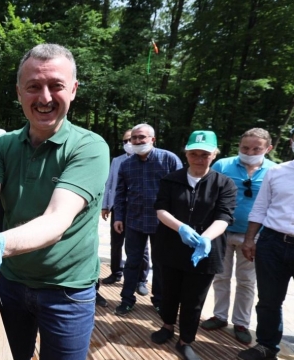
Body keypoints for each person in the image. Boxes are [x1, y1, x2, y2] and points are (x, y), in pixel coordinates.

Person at [0, 43, 109, 360]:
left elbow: (56, 220)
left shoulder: (90, 147)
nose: (44, 98)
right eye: (33, 87)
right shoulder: (2, 146)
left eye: (55, 86)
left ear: (73, 89)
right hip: (13, 283)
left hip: (68, 290)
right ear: (19, 92)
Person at [150, 130, 236, 360]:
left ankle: (185, 339)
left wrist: (206, 238)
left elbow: (224, 217)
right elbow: (161, 209)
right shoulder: (171, 180)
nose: (199, 158)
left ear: (214, 155)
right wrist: (181, 228)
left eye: (205, 154)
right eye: (194, 153)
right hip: (171, 245)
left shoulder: (224, 184)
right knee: (168, 292)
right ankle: (167, 326)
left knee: (194, 299)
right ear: (186, 153)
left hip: (205, 252)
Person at [201, 128, 276, 344]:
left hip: (255, 236)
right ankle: (220, 316)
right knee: (221, 276)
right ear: (238, 146)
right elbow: (208, 195)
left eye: (256, 149)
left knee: (247, 281)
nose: (250, 152)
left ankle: (241, 323)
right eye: (245, 147)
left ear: (268, 149)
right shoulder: (222, 165)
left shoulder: (274, 171)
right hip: (221, 231)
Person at [113, 123, 182, 316]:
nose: (137, 141)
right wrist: (118, 217)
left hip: (163, 222)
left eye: (141, 137)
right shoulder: (126, 164)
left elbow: (180, 191)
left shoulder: (169, 159)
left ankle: (159, 300)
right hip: (134, 220)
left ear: (153, 139)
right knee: (132, 261)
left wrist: (178, 220)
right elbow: (120, 192)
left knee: (160, 263)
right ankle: (127, 299)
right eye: (134, 138)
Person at [237, 129, 294, 360]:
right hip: (272, 242)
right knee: (269, 299)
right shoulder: (278, 171)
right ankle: (267, 346)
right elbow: (260, 207)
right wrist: (249, 239)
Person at [101, 129, 150, 297]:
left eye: (132, 139)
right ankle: (116, 272)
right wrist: (106, 205)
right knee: (116, 243)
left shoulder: (148, 160)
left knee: (141, 248)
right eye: (125, 141)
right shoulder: (118, 161)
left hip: (139, 209)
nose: (129, 143)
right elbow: (110, 183)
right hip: (119, 207)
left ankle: (141, 280)